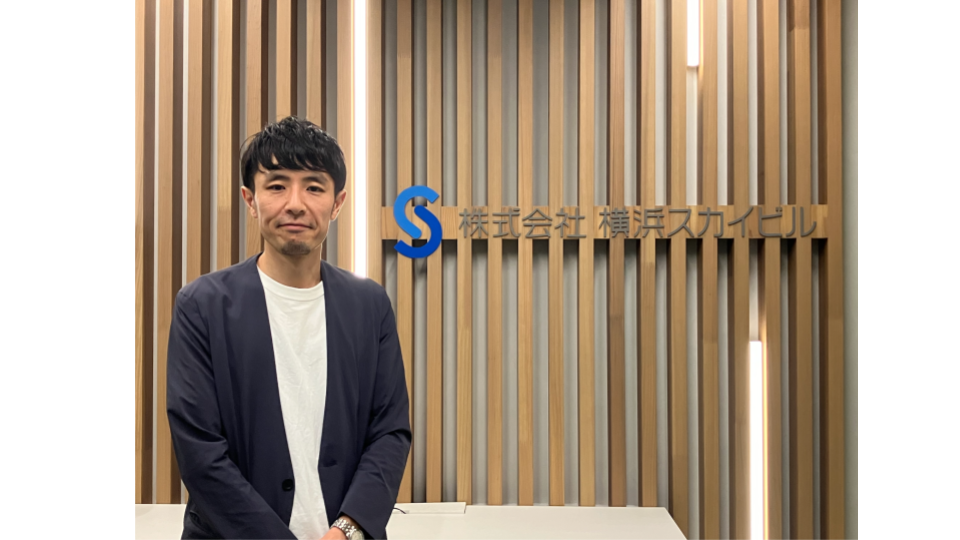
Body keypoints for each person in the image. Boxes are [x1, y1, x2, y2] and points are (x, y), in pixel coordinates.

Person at [166, 116, 411, 540]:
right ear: (250, 199)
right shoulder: (202, 306)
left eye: (314, 187)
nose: (295, 203)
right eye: (277, 186)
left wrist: (348, 529)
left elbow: (389, 431)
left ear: (337, 203)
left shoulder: (369, 305)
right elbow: (200, 452)